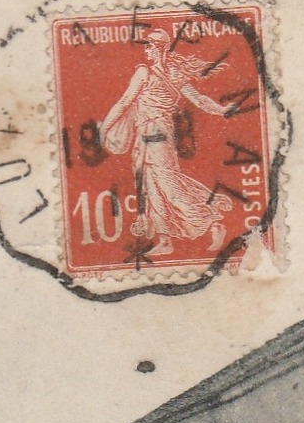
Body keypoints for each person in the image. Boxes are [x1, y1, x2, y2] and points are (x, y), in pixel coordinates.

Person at [100, 27, 235, 257]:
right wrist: (221, 110)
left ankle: (213, 222)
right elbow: (200, 100)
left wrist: (104, 129)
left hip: (157, 137)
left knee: (170, 187)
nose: (147, 51)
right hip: (150, 138)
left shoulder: (150, 73)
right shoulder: (169, 73)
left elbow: (124, 103)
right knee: (152, 188)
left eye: (150, 47)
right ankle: (165, 240)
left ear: (160, 49)